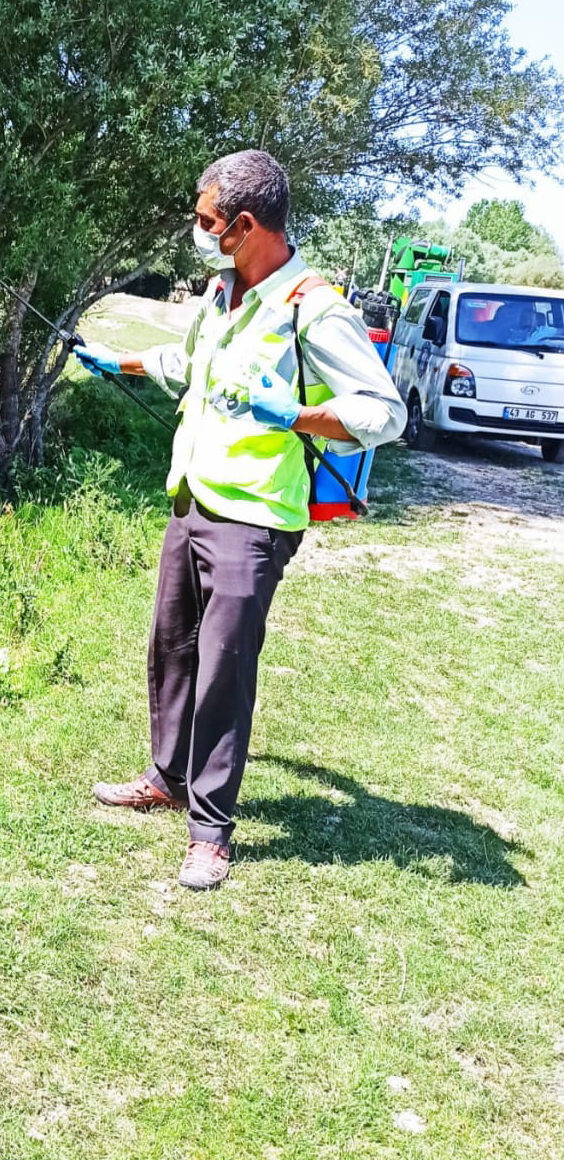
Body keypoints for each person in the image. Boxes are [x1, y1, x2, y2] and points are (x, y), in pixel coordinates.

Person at [73, 150, 406, 890]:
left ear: (245, 224)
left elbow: (385, 413)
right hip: (190, 500)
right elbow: (187, 363)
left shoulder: (314, 308)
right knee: (171, 651)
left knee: (223, 670)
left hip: (253, 521)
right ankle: (166, 778)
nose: (197, 231)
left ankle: (210, 831)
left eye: (205, 220)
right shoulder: (222, 291)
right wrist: (117, 363)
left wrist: (298, 416)